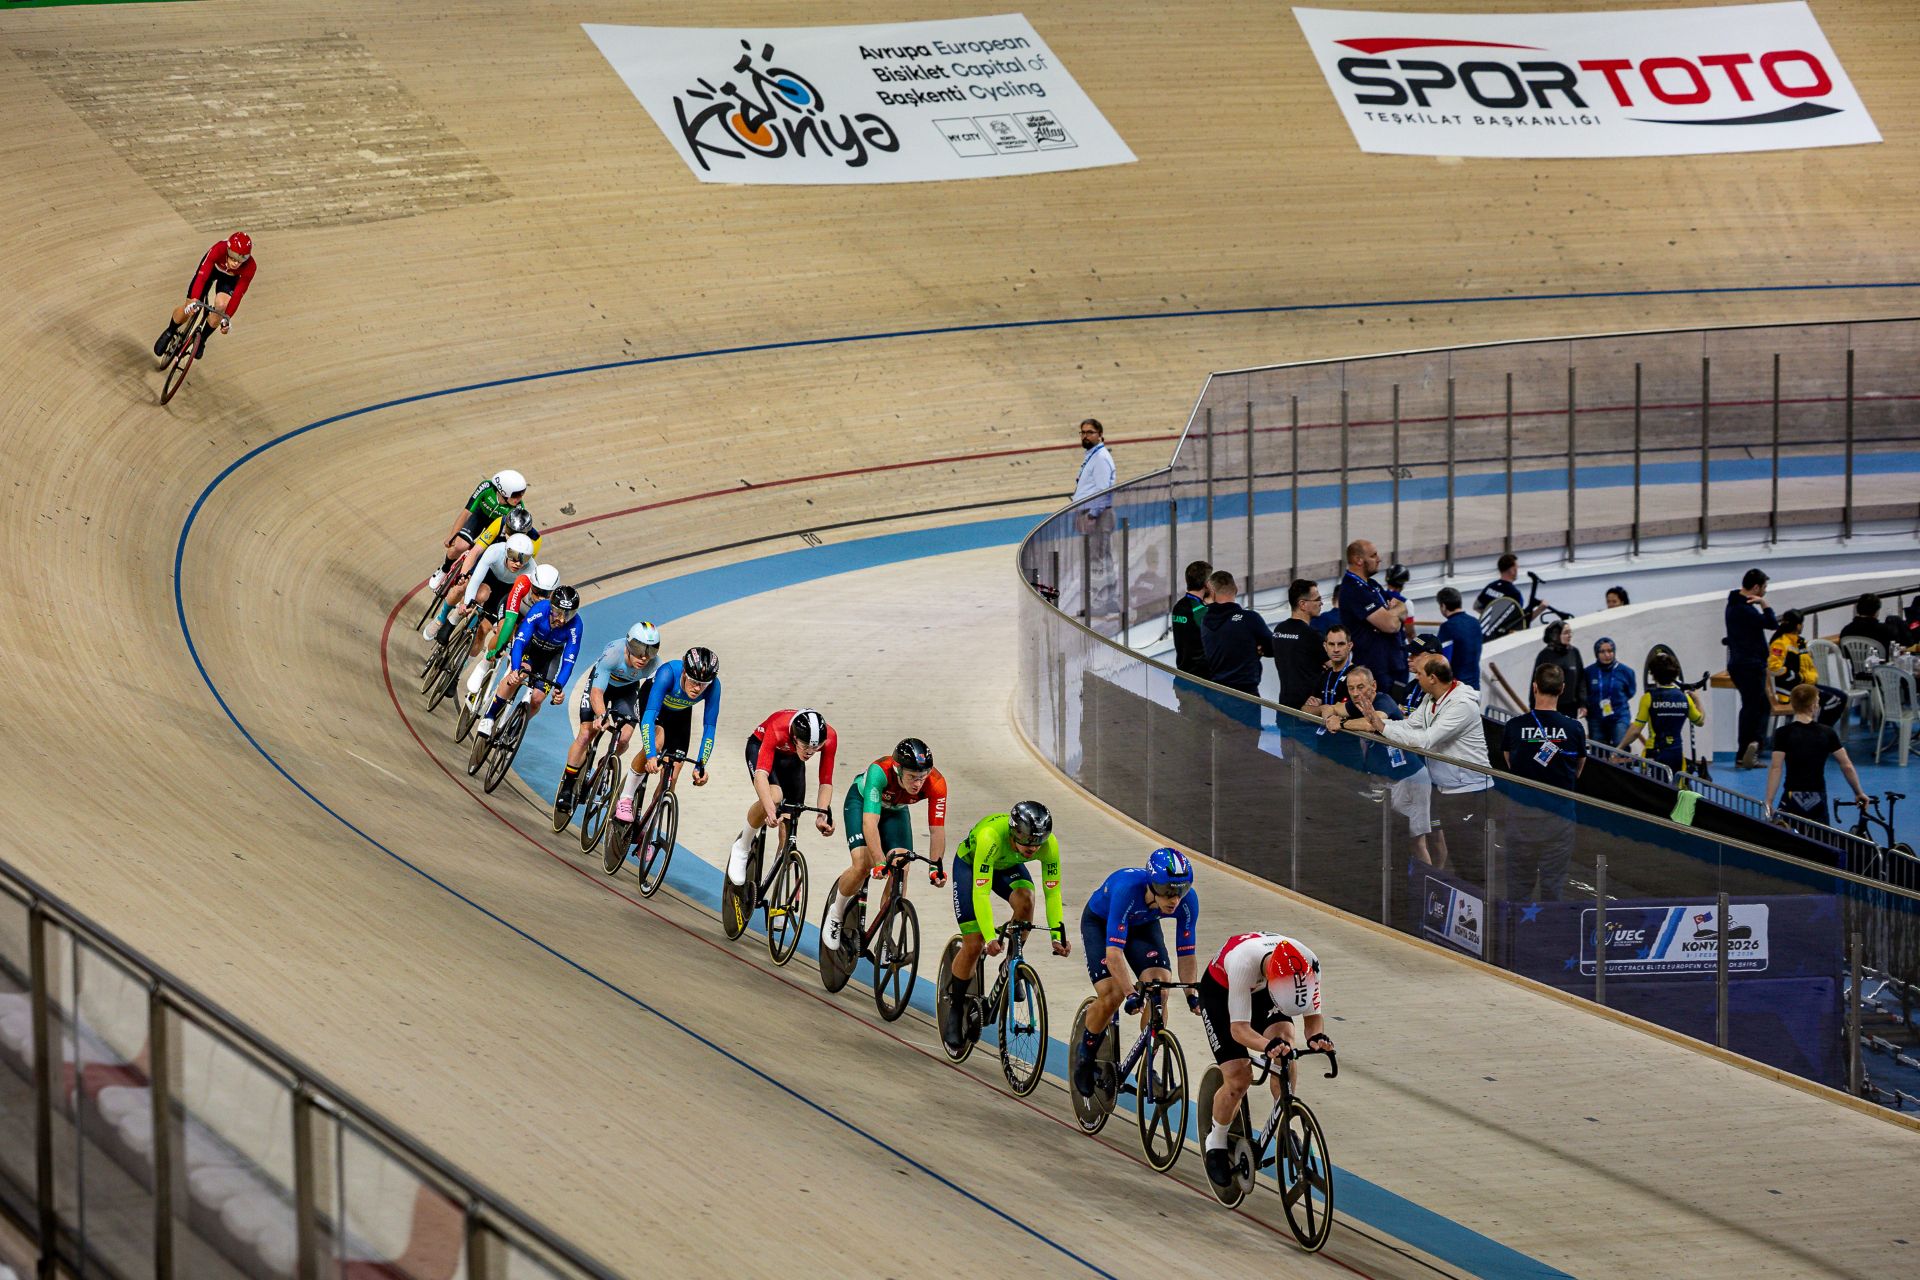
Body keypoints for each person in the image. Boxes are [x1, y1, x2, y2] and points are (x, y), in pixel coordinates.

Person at [1197, 933, 1331, 1192]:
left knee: (1286, 1047)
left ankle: (1283, 1120)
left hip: (1264, 992)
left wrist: (1316, 1037)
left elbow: (1313, 1017)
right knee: (1239, 1077)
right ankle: (1216, 1140)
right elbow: (1239, 1030)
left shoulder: (1309, 964)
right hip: (1221, 993)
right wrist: (1265, 1045)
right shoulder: (1242, 962)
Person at [1341, 656, 1494, 881]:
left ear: (1432, 678)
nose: (1415, 677)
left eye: (1419, 673)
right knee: (1456, 853)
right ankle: (1439, 889)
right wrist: (1378, 723)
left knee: (1469, 858)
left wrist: (1380, 726)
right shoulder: (1431, 699)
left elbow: (1425, 740)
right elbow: (1410, 724)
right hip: (1446, 787)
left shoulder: (1462, 705)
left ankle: (1472, 899)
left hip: (1470, 790)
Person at [942, 803, 1070, 1053]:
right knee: (974, 942)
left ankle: (1011, 963)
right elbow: (981, 893)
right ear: (1014, 833)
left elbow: (1053, 893)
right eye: (1028, 841)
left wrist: (1058, 935)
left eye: (1039, 842)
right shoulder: (990, 837)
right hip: (971, 865)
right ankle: (955, 1010)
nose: (1033, 848)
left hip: (1007, 865)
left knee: (1026, 901)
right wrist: (990, 937)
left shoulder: (1048, 845)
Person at [1073, 849, 1201, 1098]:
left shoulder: (1188, 901)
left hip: (1142, 925)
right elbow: (1114, 955)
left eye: (1181, 890)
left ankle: (1146, 1066)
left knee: (1160, 987)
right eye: (1167, 891)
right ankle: (1085, 1055)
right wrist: (1131, 993)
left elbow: (1187, 953)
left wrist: (1191, 994)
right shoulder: (1127, 890)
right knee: (1113, 994)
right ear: (1152, 884)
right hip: (1101, 923)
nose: (1174, 899)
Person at [823, 738, 949, 953]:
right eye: (912, 777)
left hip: (896, 811)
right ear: (898, 770)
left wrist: (935, 867)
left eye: (922, 777)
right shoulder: (879, 772)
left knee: (902, 866)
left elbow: (937, 830)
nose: (918, 783)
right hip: (861, 803)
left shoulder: (936, 783)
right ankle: (836, 912)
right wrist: (880, 861)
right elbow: (870, 822)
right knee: (863, 864)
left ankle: (885, 934)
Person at [1323, 665, 1440, 865]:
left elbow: (1372, 723)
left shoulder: (1383, 701)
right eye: (1351, 688)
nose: (1355, 693)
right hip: (1388, 782)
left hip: (1411, 779)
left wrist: (1341, 724)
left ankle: (1427, 880)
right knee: (1394, 838)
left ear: (1373, 686)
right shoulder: (1356, 705)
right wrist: (1329, 718)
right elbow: (1329, 708)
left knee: (1416, 842)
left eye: (1361, 687)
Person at [1501, 665, 1587, 901]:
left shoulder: (1514, 726)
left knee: (1518, 888)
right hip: (1558, 820)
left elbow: (1510, 763)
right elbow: (1578, 769)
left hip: (1521, 819)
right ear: (1562, 689)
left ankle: (1516, 924)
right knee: (1553, 888)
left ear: (1534, 687)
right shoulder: (1574, 729)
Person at [557, 622, 661, 810]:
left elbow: (657, 694)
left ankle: (604, 764)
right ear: (628, 645)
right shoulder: (614, 653)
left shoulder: (655, 664)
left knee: (625, 737)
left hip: (627, 690)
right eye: (639, 649)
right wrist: (601, 715)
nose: (644, 657)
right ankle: (568, 785)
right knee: (586, 734)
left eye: (651, 651)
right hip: (601, 686)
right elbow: (596, 693)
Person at [730, 709, 836, 886]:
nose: (810, 752)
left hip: (792, 758)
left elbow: (826, 782)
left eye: (815, 748)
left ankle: (776, 889)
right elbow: (761, 776)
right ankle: (743, 845)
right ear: (794, 737)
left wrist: (822, 815)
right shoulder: (778, 727)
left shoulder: (830, 737)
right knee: (775, 796)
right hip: (761, 747)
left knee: (790, 822)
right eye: (806, 746)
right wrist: (770, 810)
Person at [613, 645, 720, 821]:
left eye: (704, 684)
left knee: (672, 775)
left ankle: (648, 827)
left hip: (680, 712)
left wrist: (700, 766)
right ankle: (626, 798)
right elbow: (648, 719)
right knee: (658, 742)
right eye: (694, 681)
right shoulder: (668, 673)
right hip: (652, 704)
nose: (697, 688)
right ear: (684, 672)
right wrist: (650, 755)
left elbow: (709, 728)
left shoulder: (714, 686)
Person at [475, 586, 582, 738]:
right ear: (551, 607)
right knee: (518, 675)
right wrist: (515, 669)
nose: (562, 619)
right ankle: (489, 717)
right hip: (530, 648)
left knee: (537, 699)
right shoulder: (540, 609)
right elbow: (520, 641)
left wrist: (559, 688)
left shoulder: (576, 625)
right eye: (558, 613)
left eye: (568, 614)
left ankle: (517, 728)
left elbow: (569, 660)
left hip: (550, 657)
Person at [1764, 683, 1868, 826]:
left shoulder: (1783, 733)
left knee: (1786, 833)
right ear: (1814, 706)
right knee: (1820, 835)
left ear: (1793, 704)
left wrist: (1769, 800)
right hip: (1817, 797)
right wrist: (1858, 792)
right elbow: (1846, 766)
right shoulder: (1827, 733)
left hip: (1792, 795)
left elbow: (1776, 768)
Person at [462, 562, 559, 704]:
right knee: (504, 631)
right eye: (537, 590)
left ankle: (503, 688)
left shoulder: (555, 602)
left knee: (520, 651)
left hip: (530, 621)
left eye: (545, 593)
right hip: (514, 611)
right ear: (531, 583)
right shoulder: (523, 582)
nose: (540, 597)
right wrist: (499, 647)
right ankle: (484, 665)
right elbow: (510, 620)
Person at [154, 232, 255, 362]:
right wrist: (194, 299)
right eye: (233, 258)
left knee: (222, 306)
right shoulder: (219, 249)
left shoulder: (250, 266)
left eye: (240, 260)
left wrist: (227, 317)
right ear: (228, 250)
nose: (236, 263)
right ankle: (170, 330)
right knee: (190, 307)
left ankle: (202, 339)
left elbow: (238, 294)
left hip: (229, 279)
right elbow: (201, 278)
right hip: (212, 269)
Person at [430, 470, 526, 597]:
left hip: (497, 527)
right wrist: (453, 535)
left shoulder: (518, 509)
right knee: (458, 546)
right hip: (479, 517)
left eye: (522, 493)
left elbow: (511, 536)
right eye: (517, 495)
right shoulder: (486, 487)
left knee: (482, 557)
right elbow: (467, 513)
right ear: (504, 491)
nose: (520, 498)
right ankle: (444, 569)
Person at [435, 531, 536, 648]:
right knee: (481, 595)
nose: (518, 563)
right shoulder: (495, 551)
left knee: (484, 630)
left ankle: (466, 658)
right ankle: (452, 620)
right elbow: (476, 580)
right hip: (489, 579)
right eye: (514, 556)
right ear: (506, 551)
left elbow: (526, 601)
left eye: (524, 559)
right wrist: (467, 603)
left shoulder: (532, 569)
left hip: (506, 591)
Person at [1332, 540, 1405, 698]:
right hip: (1376, 670)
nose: (1379, 559)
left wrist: (1393, 613)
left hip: (1393, 664)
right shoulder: (1354, 589)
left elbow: (1402, 607)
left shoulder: (1372, 584)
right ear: (1358, 560)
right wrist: (1394, 615)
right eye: (1373, 556)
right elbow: (1391, 625)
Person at [1724, 568, 1777, 768]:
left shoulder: (1733, 604)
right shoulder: (1745, 610)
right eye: (1764, 587)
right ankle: (1750, 747)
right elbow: (1771, 623)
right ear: (1756, 588)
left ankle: (1750, 748)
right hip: (1750, 665)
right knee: (1755, 707)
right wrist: (1764, 604)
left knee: (1756, 706)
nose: (1765, 591)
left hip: (1740, 664)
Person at [1620, 649, 1705, 774]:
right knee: (1675, 785)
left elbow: (1636, 730)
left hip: (1654, 753)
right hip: (1676, 753)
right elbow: (1700, 721)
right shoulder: (1685, 698)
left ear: (1653, 675)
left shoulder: (1648, 698)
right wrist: (1697, 700)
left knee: (1651, 786)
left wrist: (1619, 748)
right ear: (1675, 674)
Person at [1198, 569, 1272, 697]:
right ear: (1236, 590)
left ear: (1212, 593)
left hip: (1215, 694)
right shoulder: (1250, 618)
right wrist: (1260, 650)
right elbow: (1274, 647)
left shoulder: (1204, 621)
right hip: (1245, 696)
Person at [1072, 418, 1118, 615]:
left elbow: (1102, 491)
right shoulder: (1094, 456)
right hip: (1096, 514)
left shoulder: (1100, 458)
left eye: (1090, 432)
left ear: (1100, 434)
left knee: (1096, 561)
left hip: (1098, 516)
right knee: (1104, 558)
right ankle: (1110, 600)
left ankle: (1099, 604)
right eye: (1082, 432)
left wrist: (1092, 516)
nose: (1085, 436)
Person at [1768, 611, 1844, 728]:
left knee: (1842, 697)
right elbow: (1774, 668)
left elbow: (1806, 666)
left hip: (1805, 684)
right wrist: (1799, 677)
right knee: (1832, 700)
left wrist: (1809, 678)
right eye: (1802, 623)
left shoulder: (1799, 642)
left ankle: (1820, 730)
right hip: (1789, 689)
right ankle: (1817, 731)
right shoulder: (1780, 643)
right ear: (1798, 625)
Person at [1271, 579, 1327, 709]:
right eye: (1317, 599)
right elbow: (1337, 668)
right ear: (1302, 604)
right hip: (1308, 709)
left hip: (1285, 706)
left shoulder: (1279, 629)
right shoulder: (1312, 635)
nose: (1321, 603)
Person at [1585, 637, 1636, 747]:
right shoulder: (1588, 672)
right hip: (1596, 717)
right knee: (1598, 750)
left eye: (1610, 651)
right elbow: (1585, 692)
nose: (1607, 655)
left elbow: (1630, 692)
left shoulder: (1626, 671)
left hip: (1619, 715)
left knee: (1620, 746)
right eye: (1602, 651)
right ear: (1596, 653)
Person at [1531, 621, 1587, 719]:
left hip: (1570, 707)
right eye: (1566, 633)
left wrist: (1583, 703)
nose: (1569, 635)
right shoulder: (1545, 655)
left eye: (1570, 632)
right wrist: (1534, 706)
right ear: (1555, 636)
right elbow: (1536, 682)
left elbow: (1581, 679)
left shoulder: (1574, 652)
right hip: (1549, 707)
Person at [1301, 624, 1354, 719]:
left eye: (1341, 644)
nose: (1336, 649)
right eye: (1331, 644)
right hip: (1324, 727)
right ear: (1325, 646)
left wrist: (1321, 709)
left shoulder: (1358, 675)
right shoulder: (1325, 675)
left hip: (1347, 728)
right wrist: (1322, 709)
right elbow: (1305, 712)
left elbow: (1357, 710)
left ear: (1349, 646)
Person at [1433, 587, 1482, 690]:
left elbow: (1442, 660)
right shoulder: (1475, 622)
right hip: (1475, 684)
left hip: (1458, 687)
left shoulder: (1448, 627)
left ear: (1443, 606)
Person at [1170, 560, 1213, 677]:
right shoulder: (1201, 611)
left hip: (1182, 675)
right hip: (1201, 679)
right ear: (1207, 584)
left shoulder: (1178, 606)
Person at [1382, 563, 1414, 696]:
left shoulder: (1378, 597)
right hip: (1398, 654)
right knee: (1398, 693)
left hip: (1379, 654)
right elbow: (1410, 633)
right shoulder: (1406, 603)